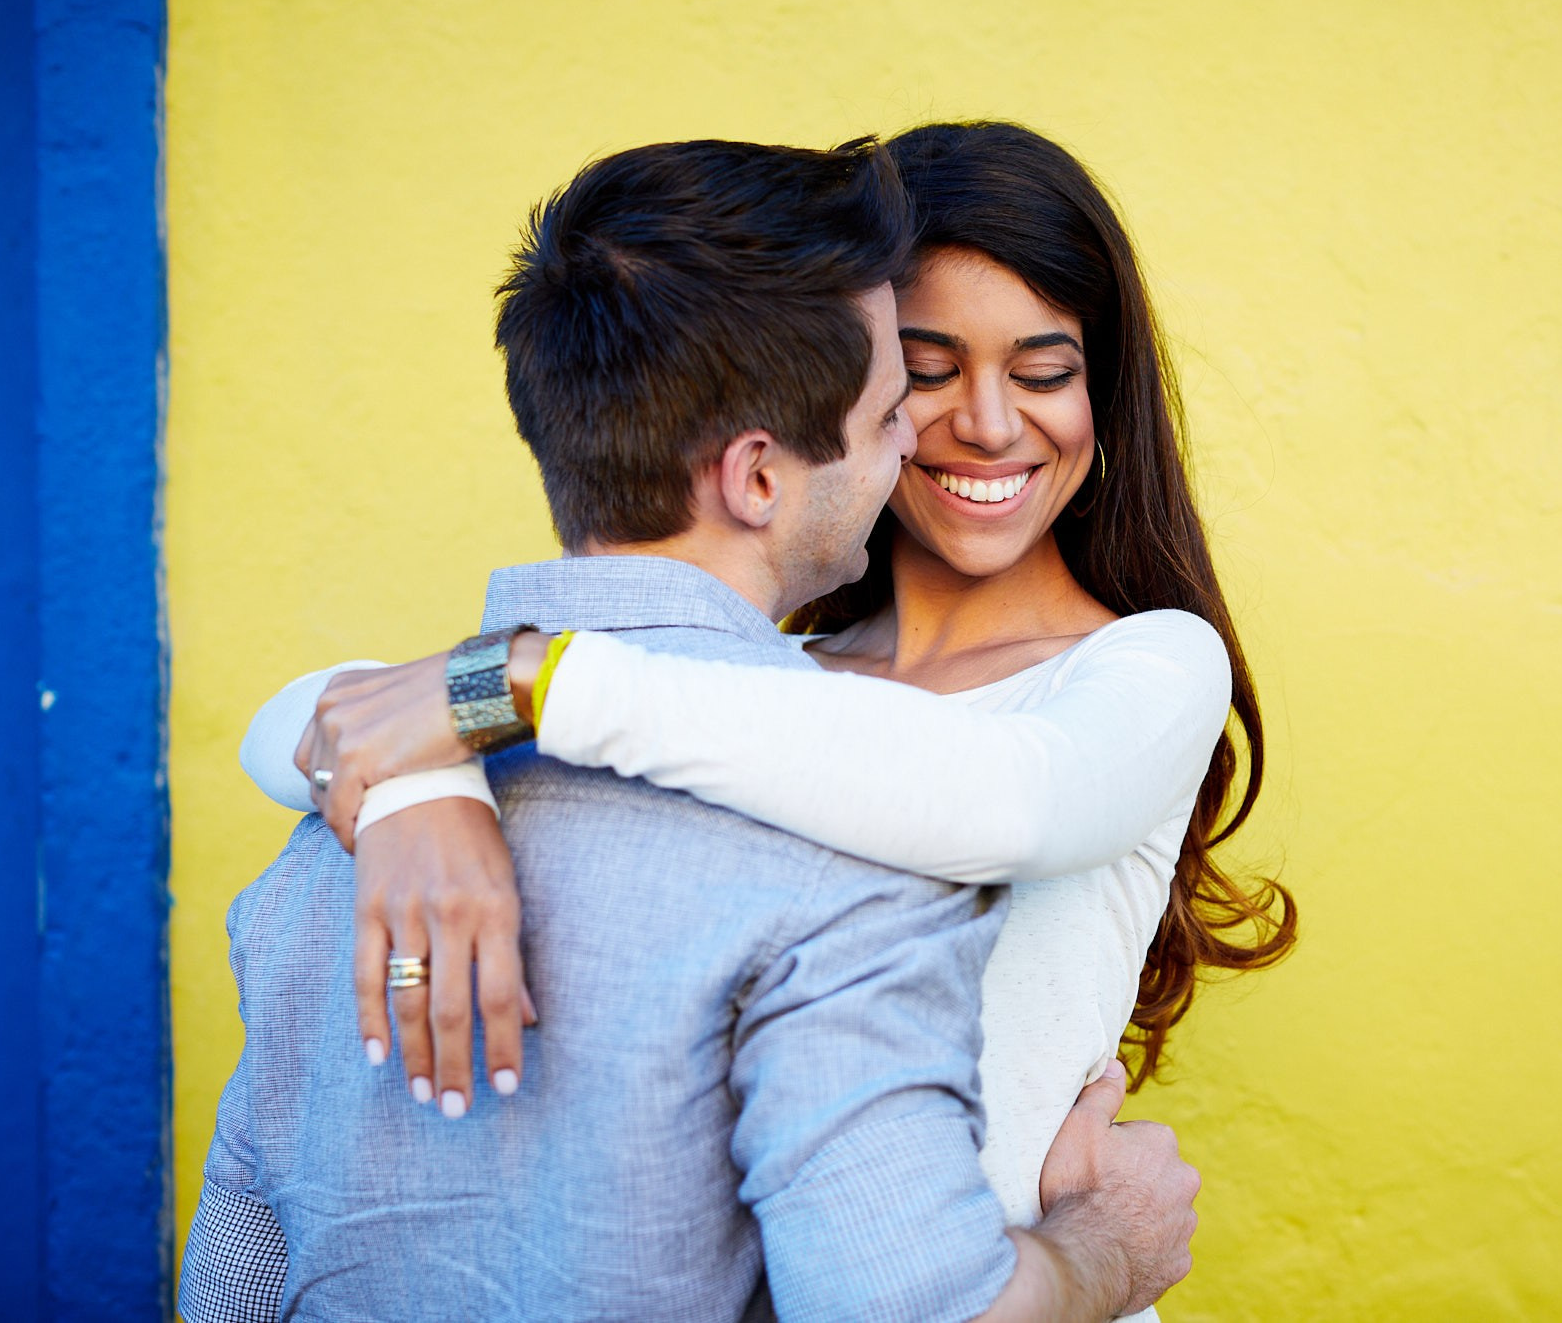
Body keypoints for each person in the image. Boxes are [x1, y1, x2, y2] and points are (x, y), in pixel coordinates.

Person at [179, 136, 1198, 1323]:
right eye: (905, 384)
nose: (962, 425)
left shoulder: (1132, 669)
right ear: (763, 469)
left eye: (1043, 368)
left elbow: (1006, 797)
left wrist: (494, 705)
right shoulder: (802, 791)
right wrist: (422, 779)